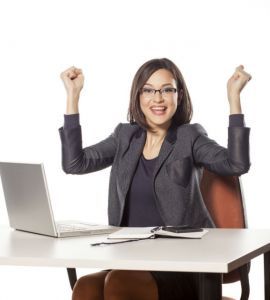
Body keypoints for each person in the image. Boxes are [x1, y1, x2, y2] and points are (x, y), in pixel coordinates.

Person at [59, 58, 251, 300]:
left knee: (120, 282)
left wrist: (234, 98)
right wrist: (72, 96)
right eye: (148, 90)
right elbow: (75, 164)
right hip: (130, 260)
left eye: (167, 89)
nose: (158, 98)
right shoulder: (124, 137)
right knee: (86, 287)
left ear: (178, 95)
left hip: (182, 265)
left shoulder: (189, 137)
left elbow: (237, 164)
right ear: (138, 96)